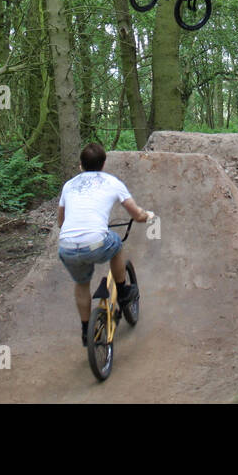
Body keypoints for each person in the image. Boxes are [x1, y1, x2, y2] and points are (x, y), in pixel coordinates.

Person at [58, 142, 155, 345]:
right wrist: (147, 216)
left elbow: (61, 221)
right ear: (103, 164)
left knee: (82, 284)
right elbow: (136, 215)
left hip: (66, 245)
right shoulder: (112, 182)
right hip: (96, 242)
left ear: (80, 165)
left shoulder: (69, 185)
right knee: (116, 244)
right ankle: (123, 292)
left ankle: (87, 332)